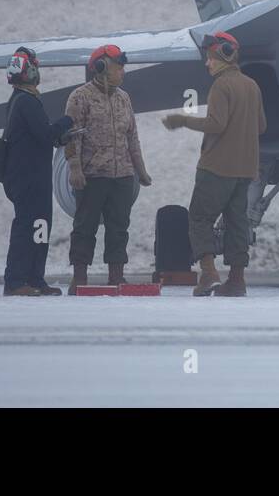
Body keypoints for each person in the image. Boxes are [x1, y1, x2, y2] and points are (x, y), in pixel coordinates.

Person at [162, 31, 266, 297]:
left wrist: (183, 120)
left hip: (217, 167)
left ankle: (208, 273)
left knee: (199, 217)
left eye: (210, 58)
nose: (207, 64)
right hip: (245, 170)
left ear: (222, 56)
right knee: (237, 222)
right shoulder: (252, 85)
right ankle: (236, 280)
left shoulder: (221, 85)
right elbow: (262, 126)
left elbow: (216, 124)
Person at [63, 44, 153, 295]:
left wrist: (140, 170)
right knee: (84, 227)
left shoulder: (124, 98)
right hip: (93, 176)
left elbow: (132, 138)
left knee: (119, 228)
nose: (123, 71)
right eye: (118, 66)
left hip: (122, 176)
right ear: (101, 67)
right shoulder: (79, 97)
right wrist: (75, 169)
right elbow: (71, 138)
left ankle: (117, 275)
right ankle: (79, 277)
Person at [1, 47, 74, 296]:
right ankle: (16, 281)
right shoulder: (27, 102)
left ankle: (34, 278)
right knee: (28, 227)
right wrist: (67, 121)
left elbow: (39, 137)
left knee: (38, 226)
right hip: (29, 178)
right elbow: (46, 135)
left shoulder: (20, 100)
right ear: (29, 70)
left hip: (30, 177)